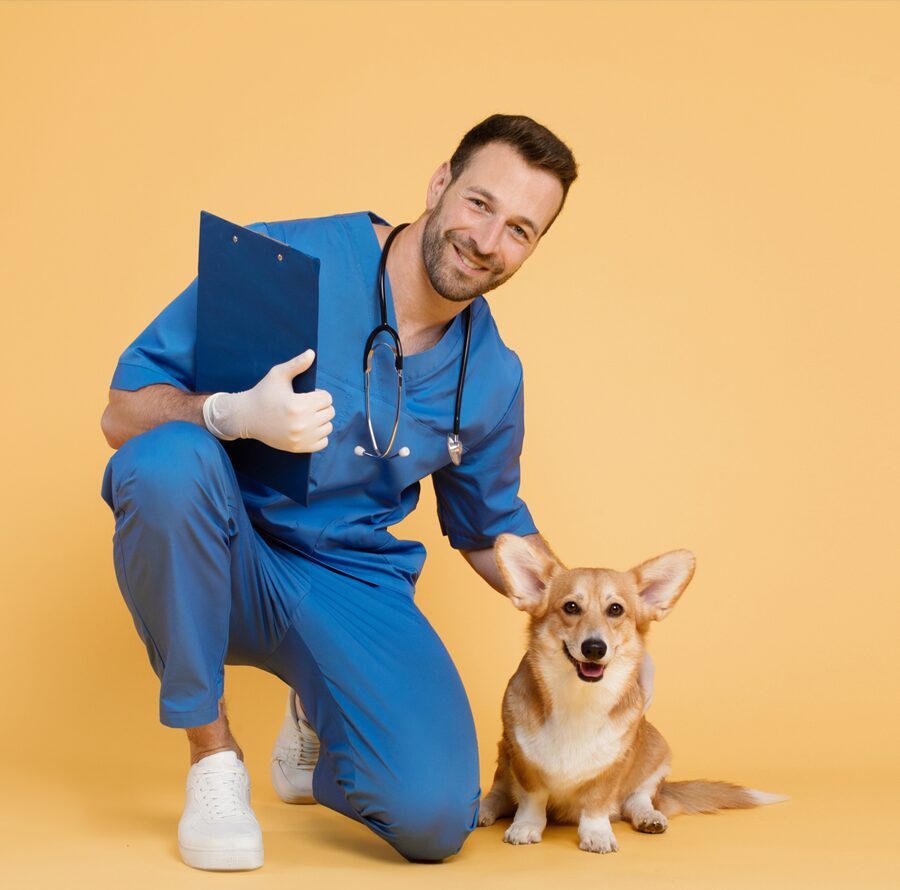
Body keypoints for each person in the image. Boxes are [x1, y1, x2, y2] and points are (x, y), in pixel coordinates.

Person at [100, 114, 590, 870]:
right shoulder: (285, 260)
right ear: (439, 185)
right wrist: (226, 415)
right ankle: (212, 760)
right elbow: (123, 410)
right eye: (480, 204)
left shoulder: (492, 374)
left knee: (434, 820)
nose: (489, 241)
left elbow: (489, 526)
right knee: (166, 463)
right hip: (221, 551)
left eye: (521, 229)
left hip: (350, 582)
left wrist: (585, 611)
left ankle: (313, 719)